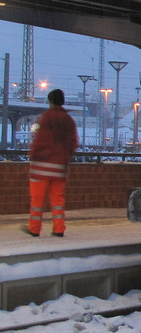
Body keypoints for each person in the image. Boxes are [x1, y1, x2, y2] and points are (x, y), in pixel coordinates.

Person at [26, 88, 78, 237]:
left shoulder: (46, 117)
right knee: (57, 200)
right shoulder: (69, 120)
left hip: (40, 167)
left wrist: (33, 156)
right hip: (59, 168)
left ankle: (34, 229)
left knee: (37, 200)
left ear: (50, 101)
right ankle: (59, 229)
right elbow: (73, 142)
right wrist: (64, 158)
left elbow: (39, 140)